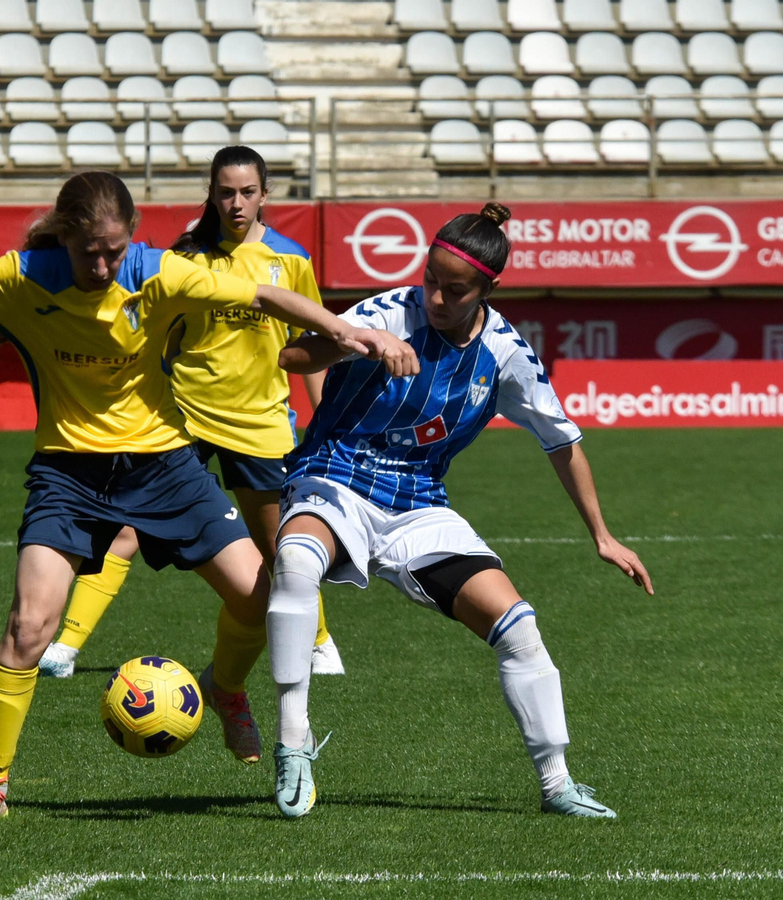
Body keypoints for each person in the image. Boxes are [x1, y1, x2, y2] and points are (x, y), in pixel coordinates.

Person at [0, 171, 408, 823]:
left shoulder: (159, 272)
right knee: (29, 627)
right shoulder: (25, 276)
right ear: (65, 239)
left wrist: (351, 333)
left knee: (263, 595)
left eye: (114, 249)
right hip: (68, 476)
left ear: (130, 238)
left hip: (165, 467)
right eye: (91, 252)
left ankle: (224, 692)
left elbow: (264, 294)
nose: (104, 264)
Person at [264, 202, 654, 820]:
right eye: (430, 280)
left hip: (419, 502)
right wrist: (356, 340)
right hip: (334, 475)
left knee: (519, 626)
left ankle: (557, 786)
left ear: (487, 290)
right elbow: (294, 358)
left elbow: (563, 441)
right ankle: (293, 743)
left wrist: (603, 535)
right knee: (294, 561)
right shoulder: (389, 310)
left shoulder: (504, 353)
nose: (436, 297)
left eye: (455, 289)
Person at [37, 146, 346, 680]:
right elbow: (165, 337)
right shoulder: (187, 257)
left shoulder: (291, 259)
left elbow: (309, 345)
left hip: (261, 422)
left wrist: (324, 421)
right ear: (211, 194)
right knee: (126, 529)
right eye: (225, 192)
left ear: (265, 195)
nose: (236, 203)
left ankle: (318, 639)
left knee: (279, 544)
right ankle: (65, 645)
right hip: (186, 415)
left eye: (248, 192)